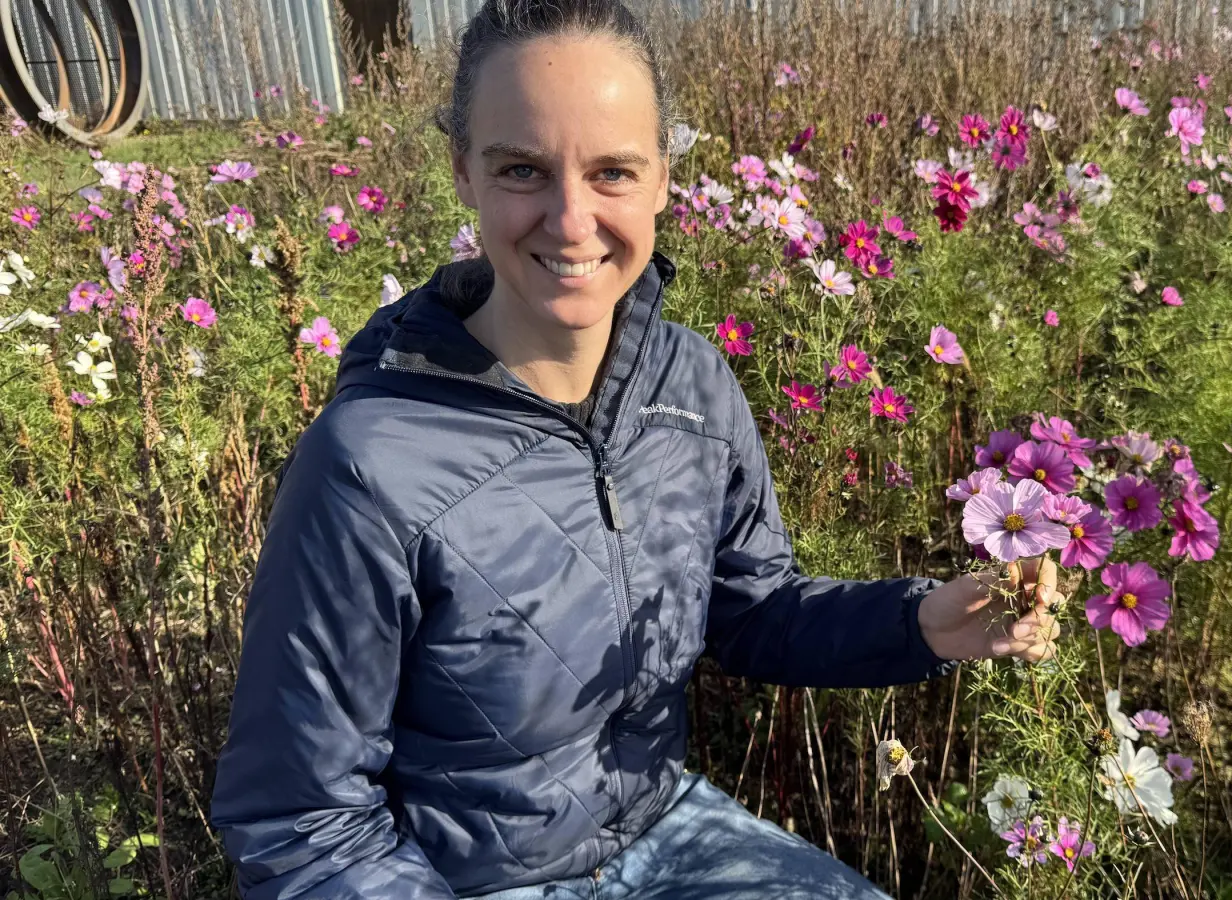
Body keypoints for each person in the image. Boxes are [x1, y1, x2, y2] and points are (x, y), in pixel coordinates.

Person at [209, 1, 1061, 897]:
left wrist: (921, 622)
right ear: (462, 171)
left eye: (613, 170)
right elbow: (301, 822)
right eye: (523, 170)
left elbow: (751, 610)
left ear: (662, 177)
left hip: (668, 830)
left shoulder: (689, 383)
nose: (571, 221)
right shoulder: (369, 461)